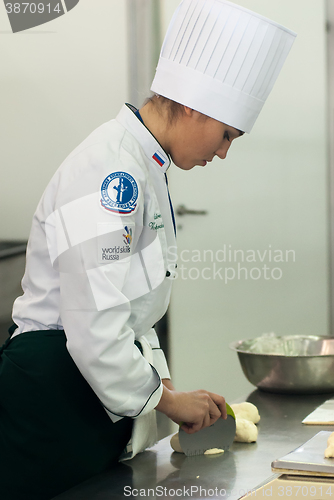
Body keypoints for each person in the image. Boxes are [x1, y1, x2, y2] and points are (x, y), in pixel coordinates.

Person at [0, 1, 296, 499]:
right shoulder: (108, 172)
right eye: (226, 135)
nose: (223, 152)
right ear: (192, 106)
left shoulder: (146, 167)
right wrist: (163, 399)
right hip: (50, 399)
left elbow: (131, 312)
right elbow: (94, 325)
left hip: (85, 392)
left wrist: (167, 391)